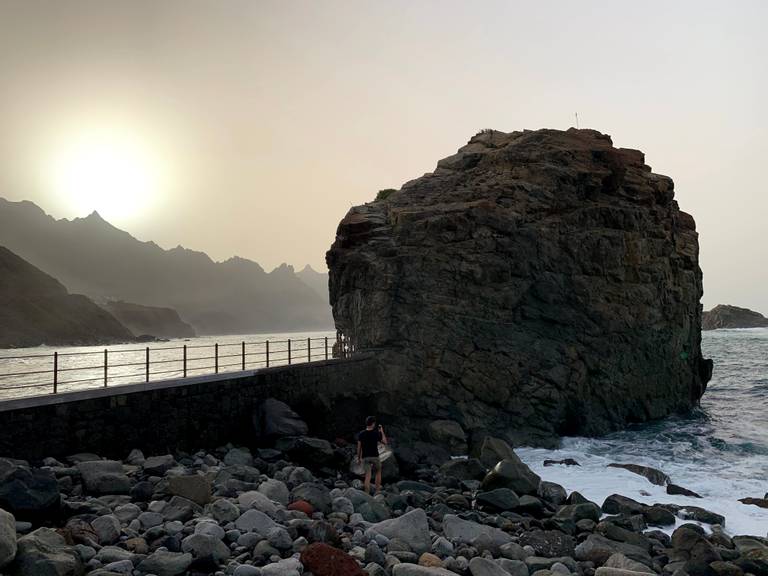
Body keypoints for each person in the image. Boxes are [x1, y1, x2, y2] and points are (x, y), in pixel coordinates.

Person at [357, 415, 388, 494]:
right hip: (375, 456)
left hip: (365, 457)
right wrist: (382, 431)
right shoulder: (376, 433)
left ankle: (366, 493)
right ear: (373, 424)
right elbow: (385, 442)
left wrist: (358, 458)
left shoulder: (361, 434)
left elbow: (359, 448)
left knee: (368, 475)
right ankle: (377, 491)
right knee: (378, 472)